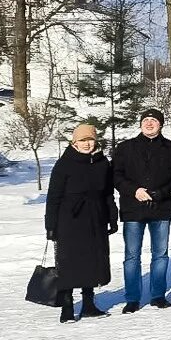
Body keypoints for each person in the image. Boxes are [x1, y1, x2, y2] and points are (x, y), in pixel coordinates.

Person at [112, 108, 171, 313]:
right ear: (141, 123)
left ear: (161, 124)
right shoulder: (125, 148)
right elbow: (116, 175)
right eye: (146, 120)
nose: (149, 123)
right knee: (132, 256)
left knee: (160, 255)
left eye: (154, 121)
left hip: (161, 208)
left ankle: (158, 295)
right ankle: (132, 298)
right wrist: (134, 191)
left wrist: (160, 193)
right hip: (133, 209)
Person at [46, 124, 117, 323]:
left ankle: (88, 304)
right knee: (69, 262)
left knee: (93, 260)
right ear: (74, 142)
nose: (87, 144)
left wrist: (112, 217)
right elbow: (53, 197)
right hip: (69, 219)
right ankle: (67, 307)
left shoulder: (102, 163)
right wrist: (50, 225)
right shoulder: (64, 164)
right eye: (82, 140)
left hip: (96, 217)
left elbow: (108, 193)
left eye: (90, 140)